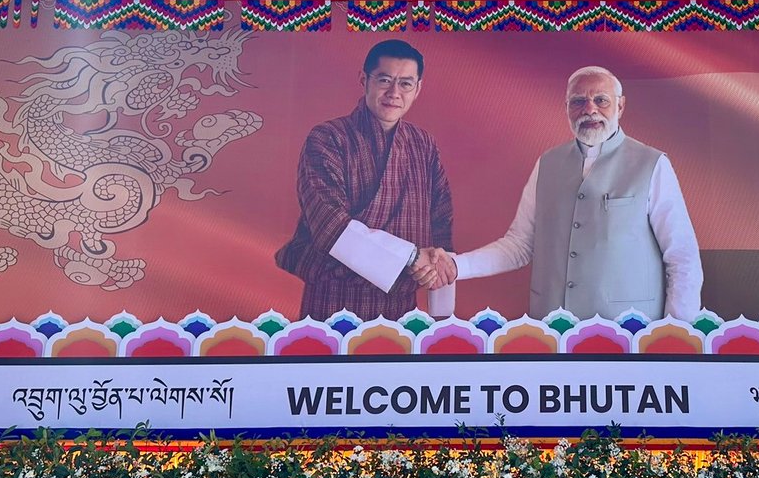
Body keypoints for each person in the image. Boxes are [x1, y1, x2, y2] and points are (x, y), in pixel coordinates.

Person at [427, 66, 702, 321]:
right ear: (567, 108)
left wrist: (676, 333)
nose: (590, 110)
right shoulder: (547, 163)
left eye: (601, 100)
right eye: (578, 101)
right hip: (553, 330)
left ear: (620, 105)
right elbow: (519, 245)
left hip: (629, 332)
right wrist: (455, 266)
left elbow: (682, 257)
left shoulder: (652, 164)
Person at [276, 39, 453, 320]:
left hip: (401, 302)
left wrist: (438, 265)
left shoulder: (423, 144)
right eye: (385, 80)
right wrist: (410, 257)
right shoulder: (327, 138)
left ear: (418, 89)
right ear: (364, 79)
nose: (394, 93)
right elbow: (328, 223)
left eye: (406, 83)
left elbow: (440, 219)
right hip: (334, 298)